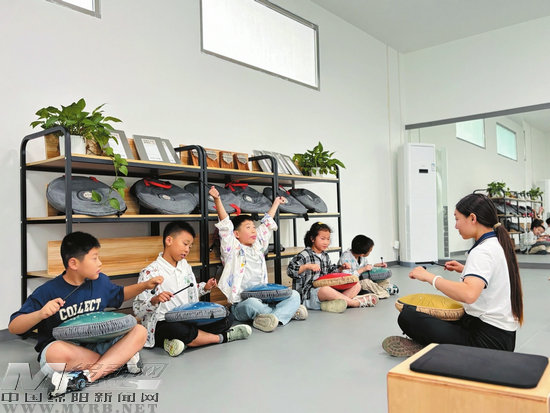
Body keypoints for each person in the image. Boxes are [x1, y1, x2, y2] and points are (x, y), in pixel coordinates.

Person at [9, 231, 163, 398]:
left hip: (99, 343)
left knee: (140, 331)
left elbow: (120, 294)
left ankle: (88, 375)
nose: (100, 263)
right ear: (73, 263)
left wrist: (145, 285)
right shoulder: (47, 291)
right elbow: (14, 327)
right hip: (70, 351)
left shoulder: (100, 281)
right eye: (94, 258)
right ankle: (117, 362)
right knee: (55, 353)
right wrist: (40, 314)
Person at [382, 193, 523, 357]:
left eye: (457, 219)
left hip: (487, 341)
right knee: (430, 315)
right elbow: (495, 276)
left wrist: (430, 277)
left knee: (408, 317)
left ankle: (434, 348)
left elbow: (468, 294)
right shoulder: (495, 243)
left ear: (472, 218)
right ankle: (438, 346)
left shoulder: (482, 251)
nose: (456, 226)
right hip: (501, 337)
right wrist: (465, 269)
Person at [133, 222, 252, 357]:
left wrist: (204, 288)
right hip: (164, 323)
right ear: (169, 240)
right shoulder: (150, 272)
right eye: (185, 244)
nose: (187, 250)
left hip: (189, 319)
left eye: (190, 246)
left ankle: (182, 342)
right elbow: (138, 310)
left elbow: (190, 291)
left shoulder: (185, 267)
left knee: (227, 317)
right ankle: (223, 337)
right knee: (176, 329)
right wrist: (155, 300)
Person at [211, 186, 307, 332]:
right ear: (236, 234)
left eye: (253, 227)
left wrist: (276, 203)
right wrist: (217, 199)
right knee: (252, 304)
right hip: (242, 303)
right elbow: (225, 224)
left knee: (294, 295)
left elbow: (267, 223)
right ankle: (285, 313)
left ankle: (272, 318)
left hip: (265, 299)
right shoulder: (232, 248)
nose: (253, 230)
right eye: (248, 227)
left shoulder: (258, 245)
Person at [287, 222, 378, 313]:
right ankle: (354, 303)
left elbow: (330, 271)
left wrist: (341, 268)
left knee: (356, 285)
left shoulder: (325, 255)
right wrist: (307, 266)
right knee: (325, 289)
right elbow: (290, 270)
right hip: (308, 295)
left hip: (327, 291)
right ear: (312, 239)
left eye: (328, 239)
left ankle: (334, 303)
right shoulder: (304, 255)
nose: (326, 242)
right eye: (322, 239)